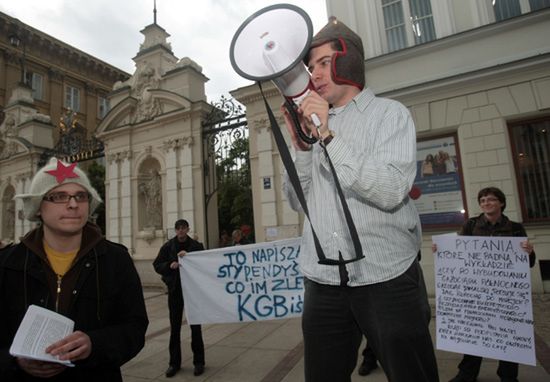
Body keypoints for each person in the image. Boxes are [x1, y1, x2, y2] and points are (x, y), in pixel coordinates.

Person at [281, 17, 439, 382]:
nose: (314, 74)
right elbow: (295, 200)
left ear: (347, 62)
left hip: (387, 277)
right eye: (310, 66)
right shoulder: (314, 124)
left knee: (412, 373)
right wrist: (302, 148)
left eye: (323, 62)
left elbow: (389, 190)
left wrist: (330, 137)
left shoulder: (390, 115)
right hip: (322, 280)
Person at [0, 158, 148, 381]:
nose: (73, 204)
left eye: (81, 196)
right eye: (59, 196)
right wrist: (15, 361)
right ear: (39, 207)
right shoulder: (7, 263)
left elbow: (134, 328)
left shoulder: (115, 259)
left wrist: (94, 344)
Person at [443, 186, 536, 382]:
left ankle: (508, 376)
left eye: (491, 199)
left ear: (501, 203)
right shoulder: (470, 225)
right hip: (477, 293)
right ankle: (467, 373)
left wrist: (529, 252)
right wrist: (441, 249)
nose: (486, 203)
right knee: (475, 333)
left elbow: (528, 263)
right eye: (483, 200)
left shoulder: (516, 227)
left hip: (505, 295)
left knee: (507, 335)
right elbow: (458, 253)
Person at [153, 219, 205, 378]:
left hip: (193, 292)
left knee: (196, 327)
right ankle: (174, 363)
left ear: (188, 229)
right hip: (175, 291)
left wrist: (189, 257)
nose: (181, 231)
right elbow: (157, 265)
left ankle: (199, 362)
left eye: (183, 228)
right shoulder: (168, 246)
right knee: (174, 328)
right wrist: (170, 265)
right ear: (175, 231)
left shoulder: (196, 246)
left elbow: (204, 264)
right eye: (178, 229)